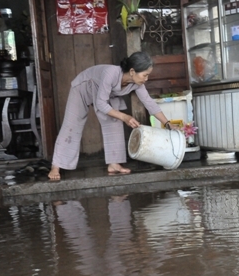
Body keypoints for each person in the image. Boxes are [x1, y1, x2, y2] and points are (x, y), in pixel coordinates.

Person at [48, 52, 175, 180]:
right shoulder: (111, 73)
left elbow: (149, 103)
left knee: (114, 120)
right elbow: (101, 103)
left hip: (105, 94)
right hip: (84, 87)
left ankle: (114, 164)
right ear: (132, 71)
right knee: (72, 125)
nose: (146, 79)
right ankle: (56, 165)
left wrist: (168, 123)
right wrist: (125, 117)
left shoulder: (137, 83)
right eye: (145, 75)